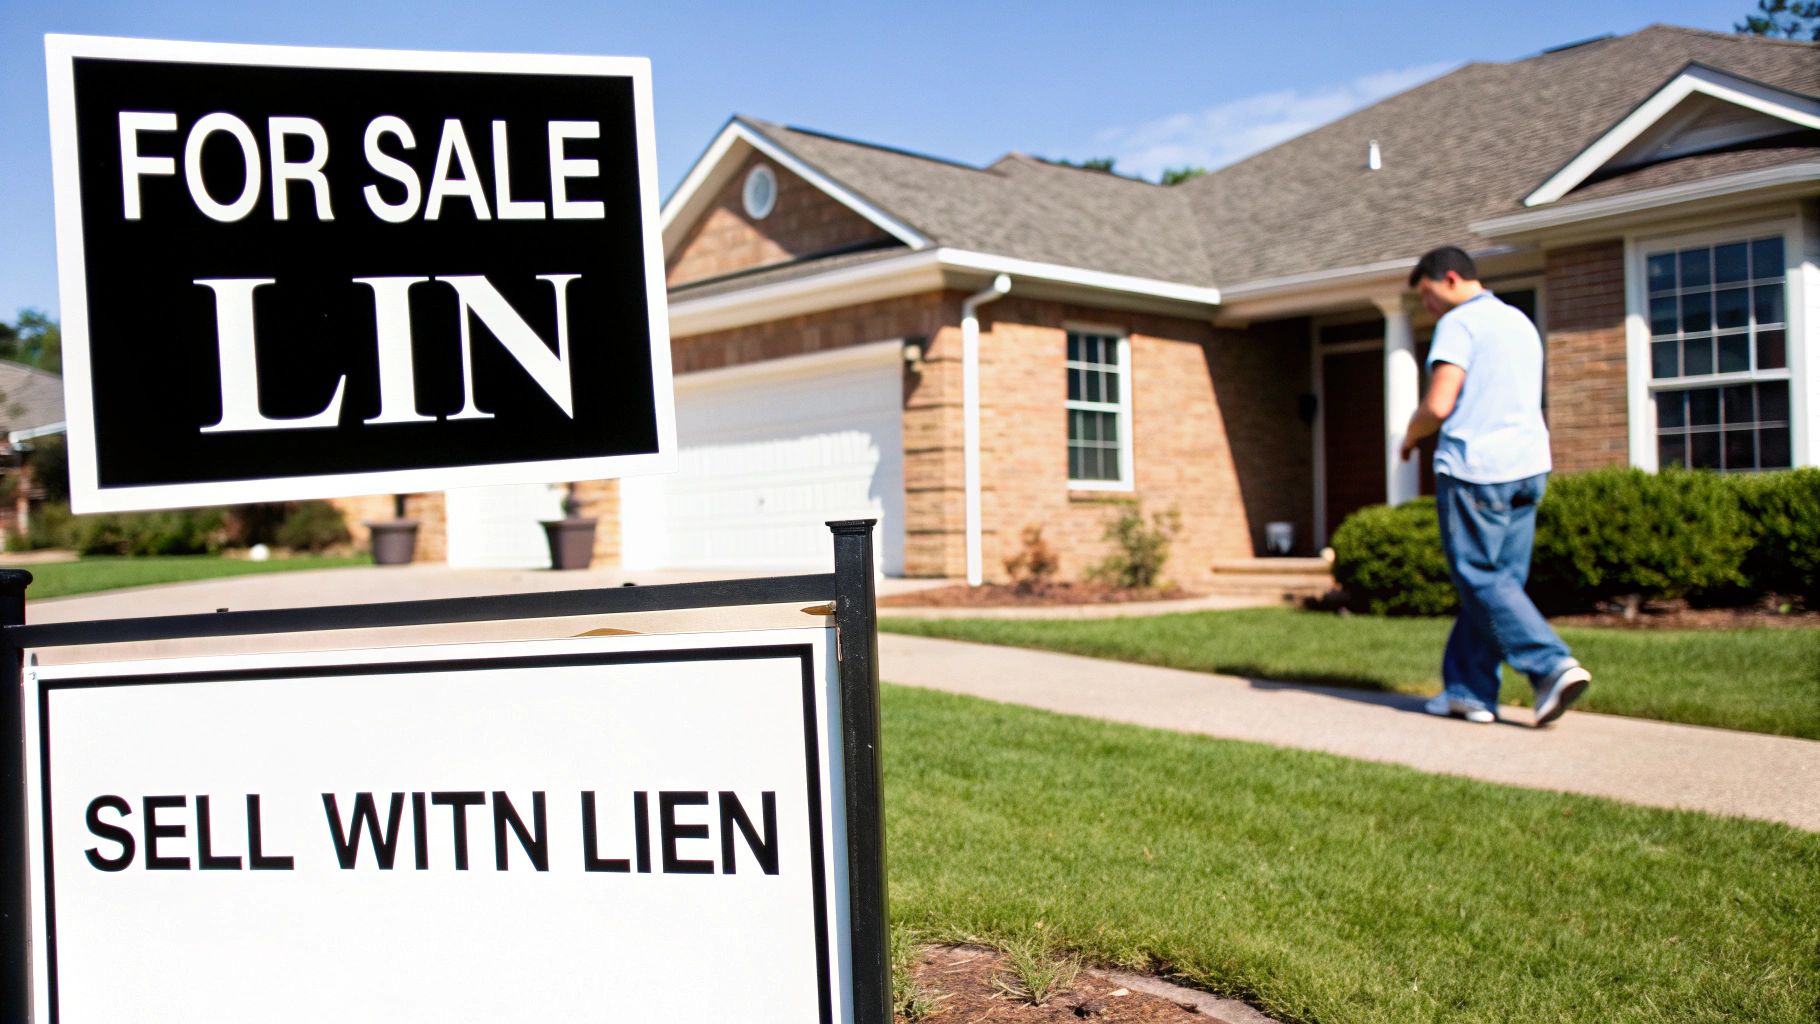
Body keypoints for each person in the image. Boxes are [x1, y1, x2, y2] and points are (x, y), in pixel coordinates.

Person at [1399, 246, 1590, 727]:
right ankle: (1469, 692)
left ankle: (1551, 666)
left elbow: (1440, 404)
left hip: (1476, 468)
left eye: (1427, 294)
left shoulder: (1459, 323)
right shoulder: (1518, 322)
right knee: (1495, 584)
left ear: (1449, 278)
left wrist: (1409, 435)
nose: (1429, 307)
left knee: (1479, 578)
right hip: (1528, 467)